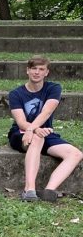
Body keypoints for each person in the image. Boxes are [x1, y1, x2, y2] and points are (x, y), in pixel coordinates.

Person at [7, 55, 83, 202]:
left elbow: (46, 112)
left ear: (46, 72)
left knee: (75, 154)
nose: (37, 72)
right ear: (27, 71)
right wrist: (32, 130)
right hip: (21, 133)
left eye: (41, 69)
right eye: (33, 68)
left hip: (45, 132)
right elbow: (21, 121)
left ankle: (49, 190)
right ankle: (29, 190)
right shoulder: (16, 94)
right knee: (37, 138)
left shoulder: (53, 88)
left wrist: (35, 129)